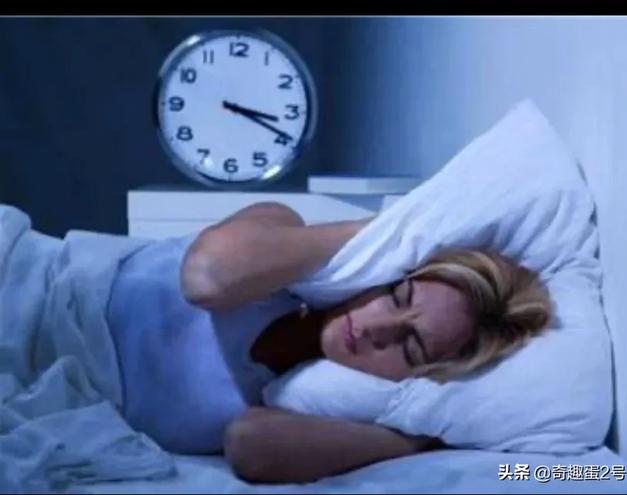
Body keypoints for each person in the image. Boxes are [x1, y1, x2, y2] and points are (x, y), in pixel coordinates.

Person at [107, 201, 552, 484]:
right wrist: (387, 234)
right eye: (398, 296)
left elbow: (248, 445)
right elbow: (205, 280)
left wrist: (418, 439)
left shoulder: (315, 406)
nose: (379, 327)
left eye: (410, 346)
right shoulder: (282, 234)